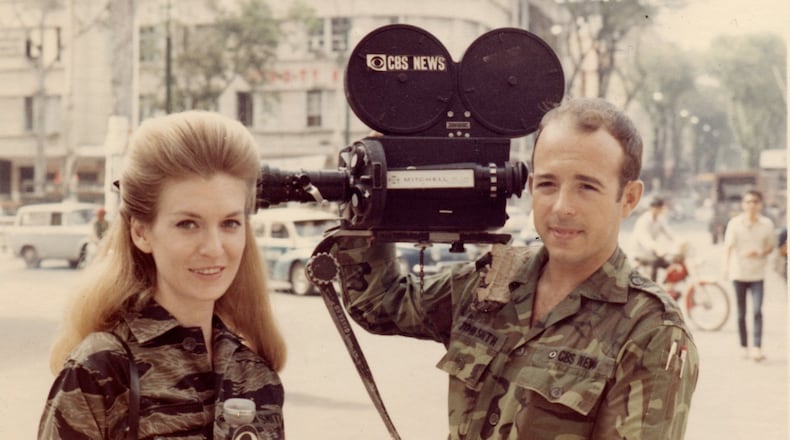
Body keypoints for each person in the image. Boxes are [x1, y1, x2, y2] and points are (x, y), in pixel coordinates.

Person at [330, 97, 699, 439]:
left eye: (587, 187)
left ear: (629, 198)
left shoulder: (650, 331)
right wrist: (373, 189)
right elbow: (379, 304)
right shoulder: (494, 279)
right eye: (548, 184)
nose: (561, 206)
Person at [38, 111, 287, 439]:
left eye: (230, 223)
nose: (214, 248)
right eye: (188, 224)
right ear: (141, 232)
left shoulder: (256, 374)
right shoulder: (102, 371)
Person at [723, 189, 775, 362]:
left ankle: (757, 347)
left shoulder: (767, 224)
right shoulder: (734, 224)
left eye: (754, 201)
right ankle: (744, 346)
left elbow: (771, 246)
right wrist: (726, 268)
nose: (751, 205)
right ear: (743, 205)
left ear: (760, 204)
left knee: (757, 310)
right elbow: (728, 247)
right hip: (738, 273)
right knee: (741, 313)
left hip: (757, 274)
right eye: (748, 202)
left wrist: (759, 251)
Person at [632, 196, 674, 281]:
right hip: (640, 252)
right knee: (654, 264)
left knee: (671, 265)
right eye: (656, 208)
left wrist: (681, 243)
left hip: (652, 252)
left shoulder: (660, 219)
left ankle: (670, 289)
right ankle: (652, 290)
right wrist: (658, 249)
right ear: (652, 208)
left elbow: (669, 233)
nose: (658, 211)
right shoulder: (643, 221)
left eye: (660, 208)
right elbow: (645, 240)